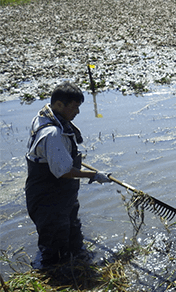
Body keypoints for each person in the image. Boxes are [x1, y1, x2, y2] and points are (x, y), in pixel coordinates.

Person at [25, 82, 112, 268]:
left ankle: (80, 265)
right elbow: (63, 171)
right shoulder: (52, 133)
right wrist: (94, 175)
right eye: (74, 107)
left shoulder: (45, 116)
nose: (77, 112)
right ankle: (51, 276)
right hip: (47, 199)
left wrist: (64, 157)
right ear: (59, 105)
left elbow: (57, 159)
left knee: (74, 236)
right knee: (53, 249)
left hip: (62, 197)